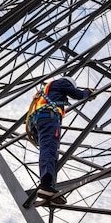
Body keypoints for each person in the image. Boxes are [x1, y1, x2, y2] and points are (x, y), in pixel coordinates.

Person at [27, 76, 94, 204]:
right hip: (48, 118)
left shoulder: (46, 90)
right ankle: (46, 185)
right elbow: (78, 94)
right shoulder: (61, 83)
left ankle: (49, 184)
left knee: (48, 149)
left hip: (38, 122)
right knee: (49, 149)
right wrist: (88, 93)